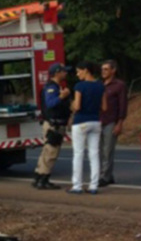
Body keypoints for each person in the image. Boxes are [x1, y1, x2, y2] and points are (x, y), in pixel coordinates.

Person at [68, 61, 107, 194]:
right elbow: (104, 107)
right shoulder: (100, 85)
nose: (77, 74)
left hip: (81, 121)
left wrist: (72, 105)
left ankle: (77, 186)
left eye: (79, 71)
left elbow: (77, 106)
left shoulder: (79, 86)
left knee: (78, 154)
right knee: (94, 154)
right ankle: (93, 186)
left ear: (86, 70)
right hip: (95, 121)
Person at [32, 63, 72, 189]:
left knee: (47, 152)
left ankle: (39, 177)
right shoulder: (52, 88)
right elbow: (50, 103)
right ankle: (43, 180)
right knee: (51, 153)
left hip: (54, 124)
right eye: (63, 71)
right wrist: (62, 96)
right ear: (57, 73)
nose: (66, 73)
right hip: (54, 125)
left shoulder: (55, 86)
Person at [99, 59, 128, 187]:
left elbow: (123, 105)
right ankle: (107, 175)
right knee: (99, 150)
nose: (103, 72)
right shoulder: (99, 84)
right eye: (102, 69)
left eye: (106, 69)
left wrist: (119, 123)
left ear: (113, 70)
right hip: (98, 120)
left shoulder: (119, 85)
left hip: (111, 121)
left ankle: (104, 176)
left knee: (107, 150)